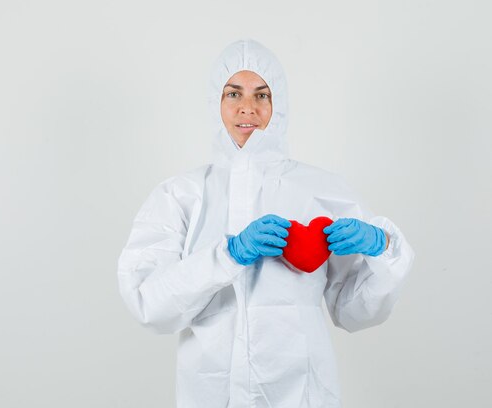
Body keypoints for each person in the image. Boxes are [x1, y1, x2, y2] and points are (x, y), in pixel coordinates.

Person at [117, 39, 415, 408]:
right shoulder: (180, 196)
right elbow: (150, 306)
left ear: (280, 105)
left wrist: (381, 249)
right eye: (233, 94)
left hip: (302, 392)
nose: (248, 108)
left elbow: (353, 311)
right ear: (216, 103)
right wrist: (228, 255)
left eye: (262, 95)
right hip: (212, 393)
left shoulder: (322, 191)